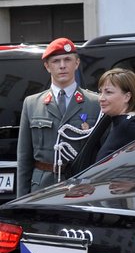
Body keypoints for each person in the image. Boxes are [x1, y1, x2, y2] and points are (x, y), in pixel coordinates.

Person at [16, 37, 100, 196]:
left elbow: (104, 154)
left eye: (67, 59)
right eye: (56, 61)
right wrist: (22, 200)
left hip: (82, 186)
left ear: (77, 63)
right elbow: (24, 158)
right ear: (47, 66)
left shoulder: (95, 103)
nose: (62, 66)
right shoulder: (32, 103)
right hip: (42, 187)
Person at [66, 68, 135, 175]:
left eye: (108, 92)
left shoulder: (132, 125)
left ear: (127, 97)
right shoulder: (115, 122)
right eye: (100, 92)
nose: (101, 98)